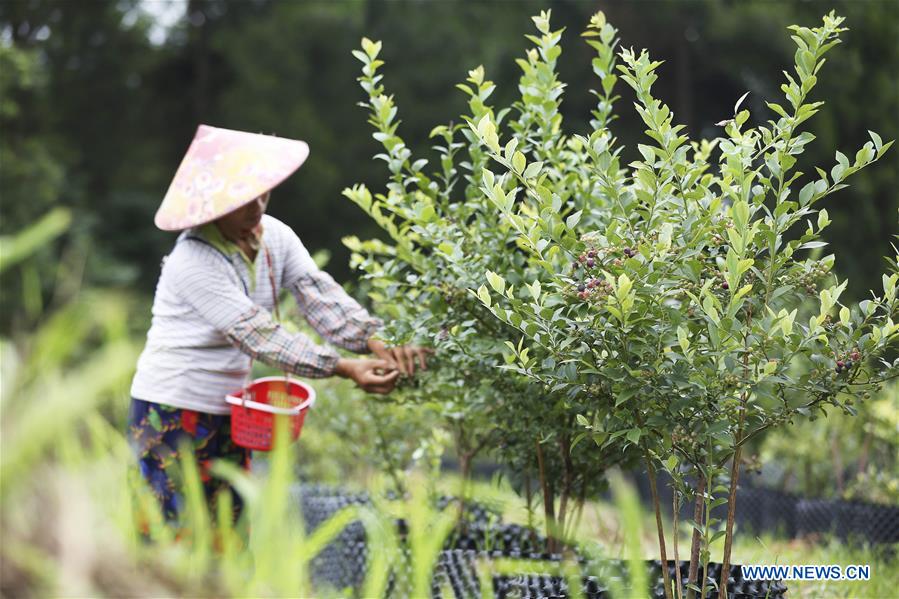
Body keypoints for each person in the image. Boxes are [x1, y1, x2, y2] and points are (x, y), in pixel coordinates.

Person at [129, 124, 428, 521]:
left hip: (233, 412)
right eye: (241, 200)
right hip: (170, 407)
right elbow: (260, 336)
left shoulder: (276, 237)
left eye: (262, 193)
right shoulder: (193, 260)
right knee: (174, 528)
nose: (257, 208)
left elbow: (319, 296)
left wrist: (377, 341)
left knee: (228, 527)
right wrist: (343, 367)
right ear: (213, 205)